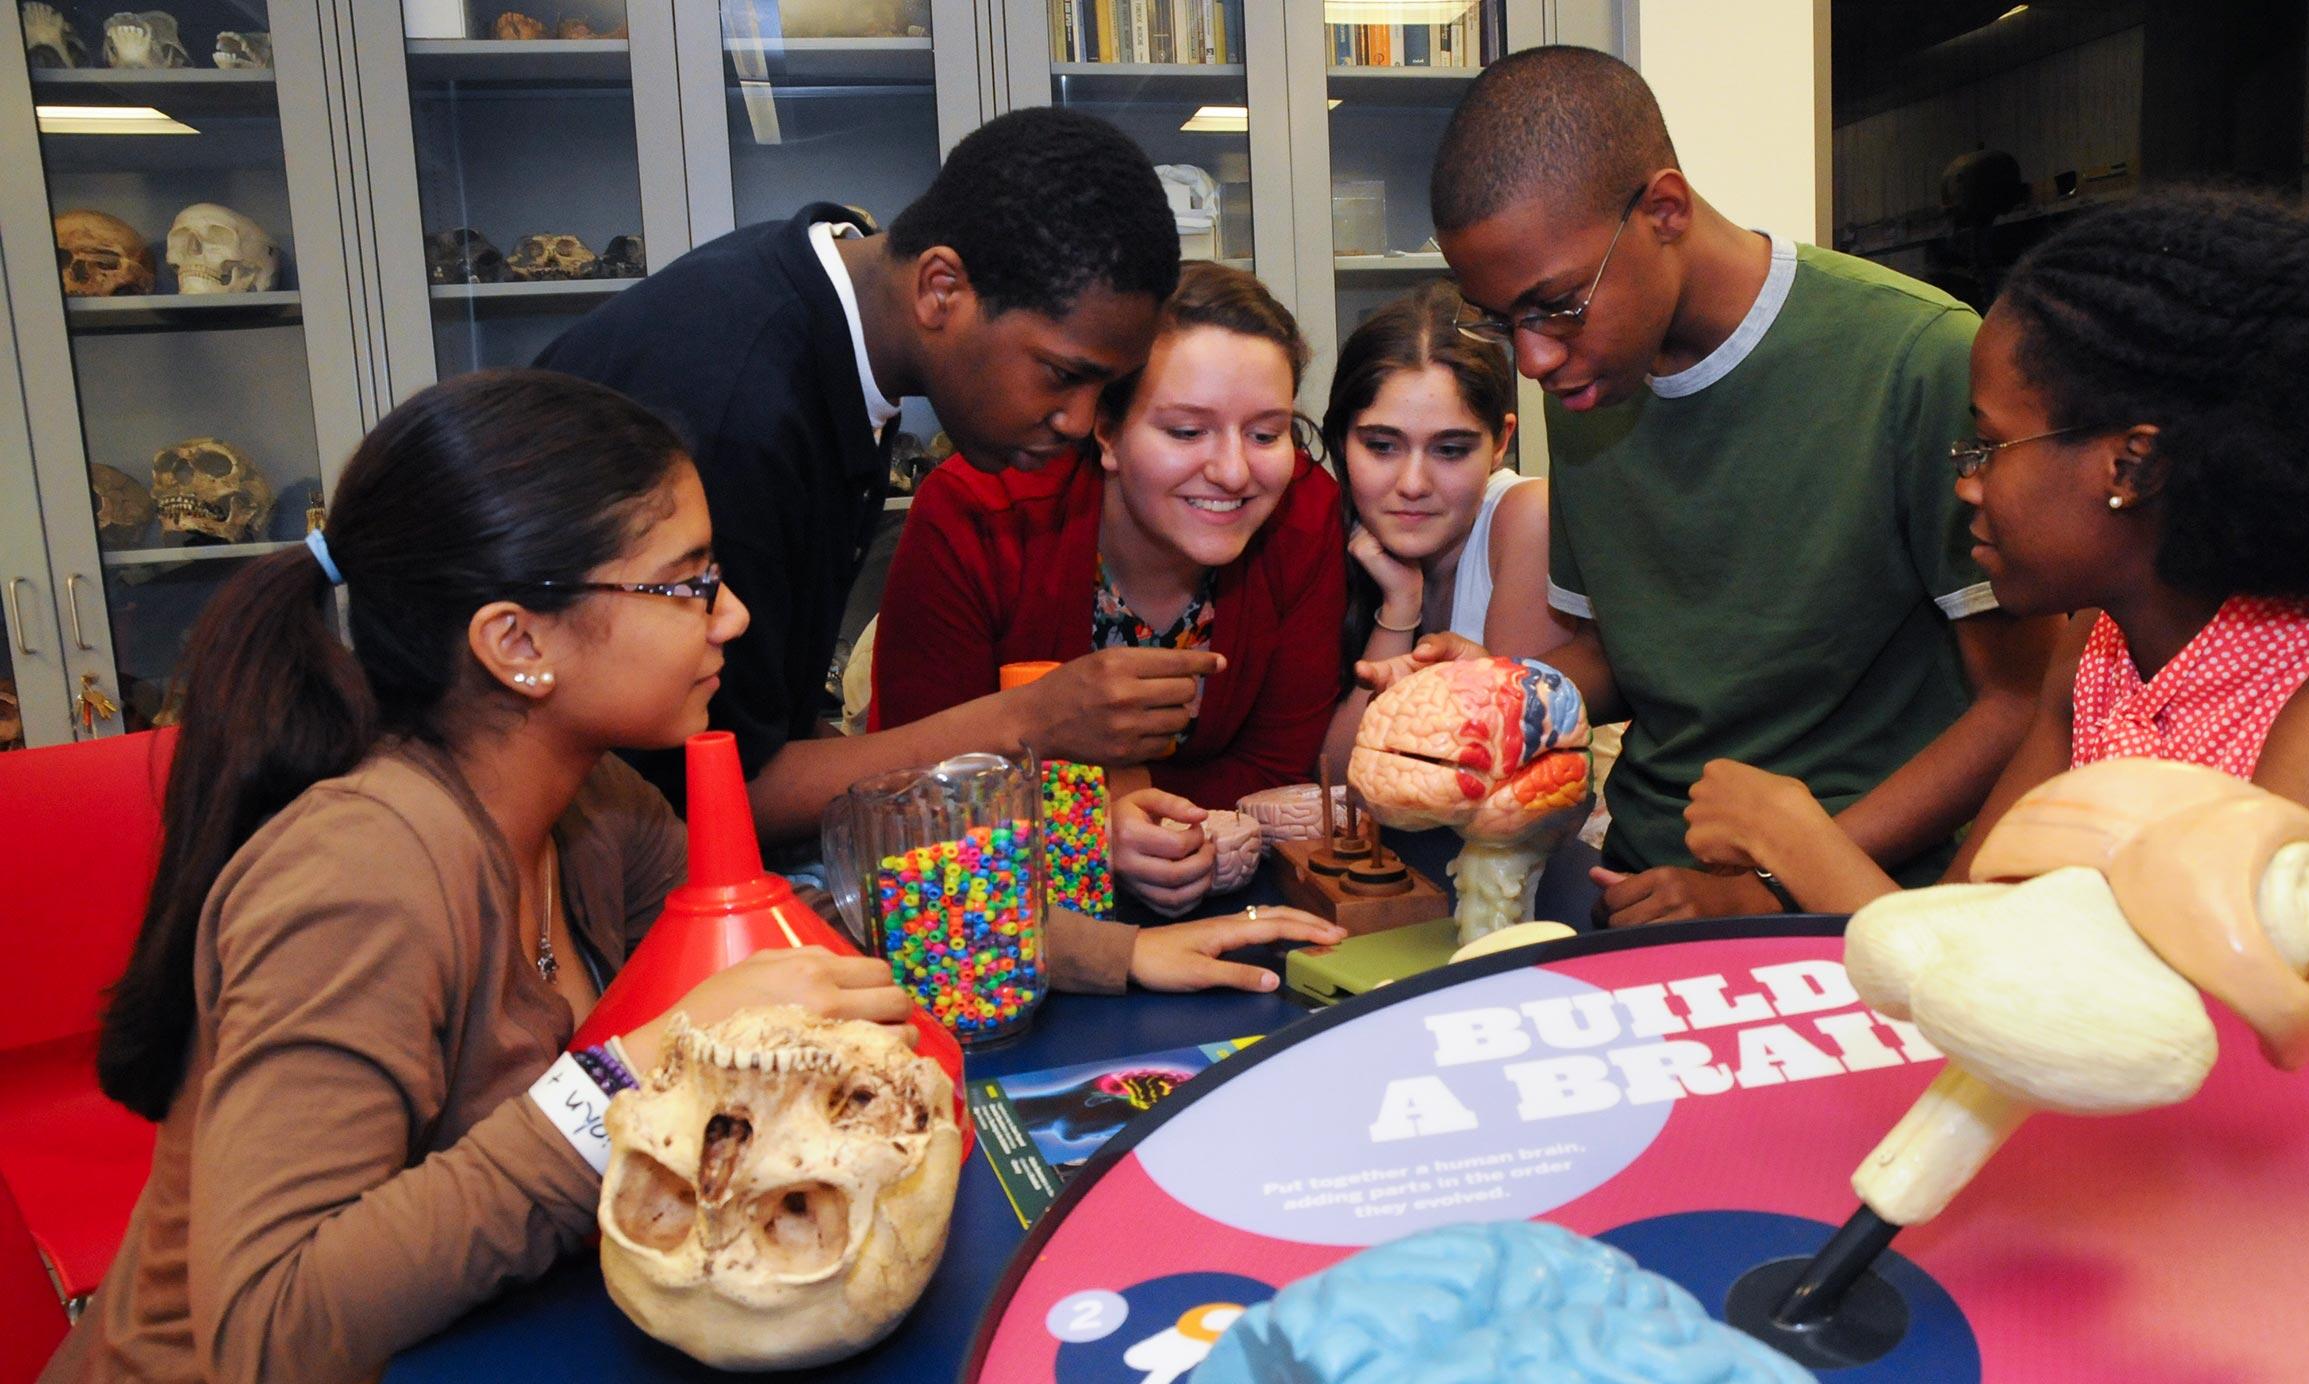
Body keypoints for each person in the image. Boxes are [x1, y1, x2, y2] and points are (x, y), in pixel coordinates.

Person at [42, 372, 1339, 1383]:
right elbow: (270, 1329)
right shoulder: (363, 872)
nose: (732, 618)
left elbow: (823, 929)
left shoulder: (590, 803)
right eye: (687, 585)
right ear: (518, 643)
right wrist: (631, 1073)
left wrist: (1108, 953)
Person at [1678, 189, 2309, 1049]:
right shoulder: (2100, 646)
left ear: (2134, 462)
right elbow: (1975, 932)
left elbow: (2133, 1039)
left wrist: (1795, 838)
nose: (1967, 483)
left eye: (1989, 444)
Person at [1371, 46, 2056, 925]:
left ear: (1665, 209)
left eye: (1555, 306)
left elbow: (2020, 703)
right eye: (1502, 321)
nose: (1533, 358)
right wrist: (1506, 694)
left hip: (1859, 902)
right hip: (1639, 880)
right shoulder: (1587, 375)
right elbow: (1635, 652)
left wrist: (1774, 879)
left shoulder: (1915, 360)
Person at [536, 108, 1219, 858]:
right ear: (940, 290)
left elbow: (775, 726)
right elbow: (710, 791)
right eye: (1062, 375)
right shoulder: (741, 414)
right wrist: (1028, 721)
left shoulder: (832, 325)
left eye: (1105, 390)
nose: (1078, 420)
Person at [869, 263, 1346, 914]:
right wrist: (1081, 833)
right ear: (1106, 431)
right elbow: (909, 791)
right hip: (988, 923)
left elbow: (1278, 767)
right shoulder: (976, 516)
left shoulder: (1304, 510)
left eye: (1267, 433)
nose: (1235, 471)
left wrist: (1116, 803)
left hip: (1230, 903)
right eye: (1185, 431)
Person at [1317, 281, 1577, 781]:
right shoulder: (1335, 527)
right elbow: (1338, 782)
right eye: (1381, 446)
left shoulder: (1526, 517)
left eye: (1450, 450)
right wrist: (1400, 607)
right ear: (1342, 440)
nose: (1412, 485)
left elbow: (1501, 777)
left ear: (1501, 441)